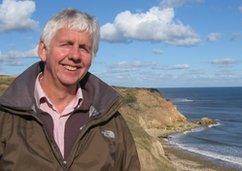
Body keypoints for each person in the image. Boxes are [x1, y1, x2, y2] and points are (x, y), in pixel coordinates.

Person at [0, 8, 140, 170]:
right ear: (43, 50)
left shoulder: (111, 122)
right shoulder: (6, 117)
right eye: (66, 44)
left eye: (84, 48)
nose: (75, 56)